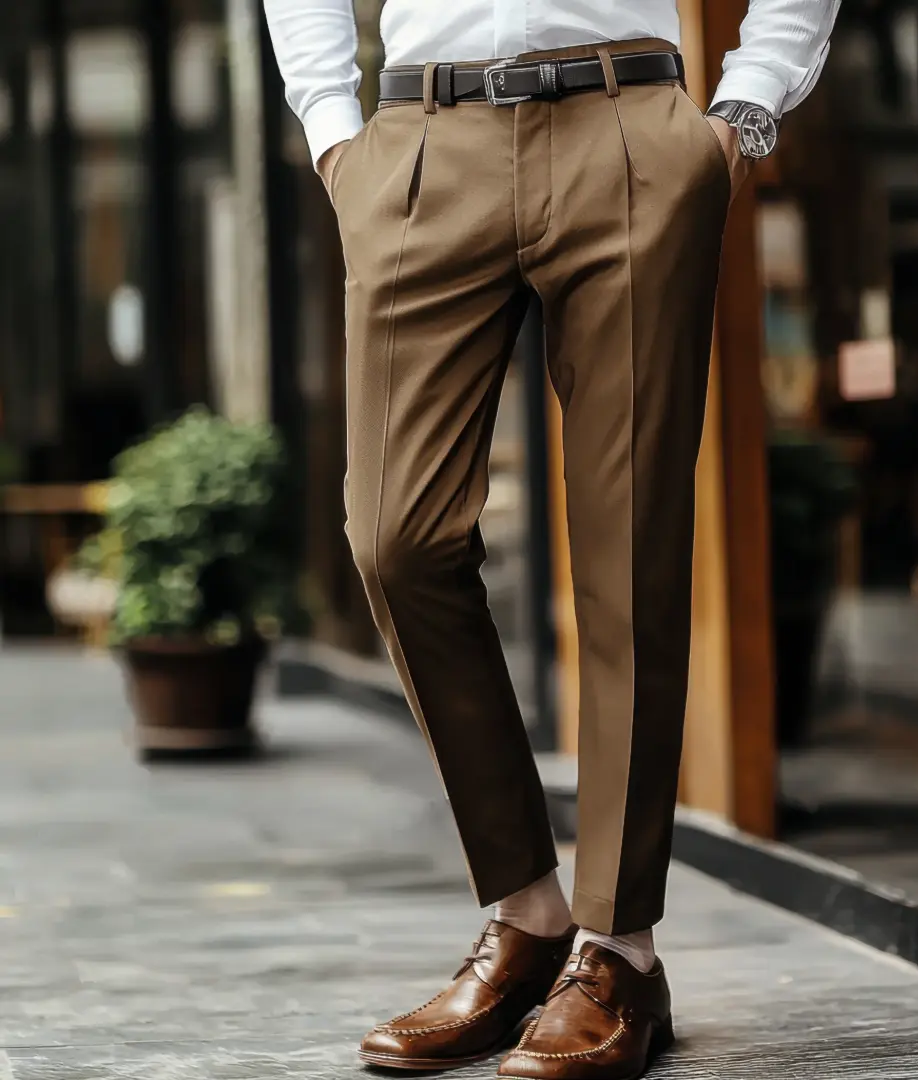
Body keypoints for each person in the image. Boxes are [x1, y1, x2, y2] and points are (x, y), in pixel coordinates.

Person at [263, 1, 839, 1076]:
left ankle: (618, 949)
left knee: (629, 547)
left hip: (627, 125)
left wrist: (749, 104)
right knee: (395, 536)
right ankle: (529, 913)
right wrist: (333, 129)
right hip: (421, 146)